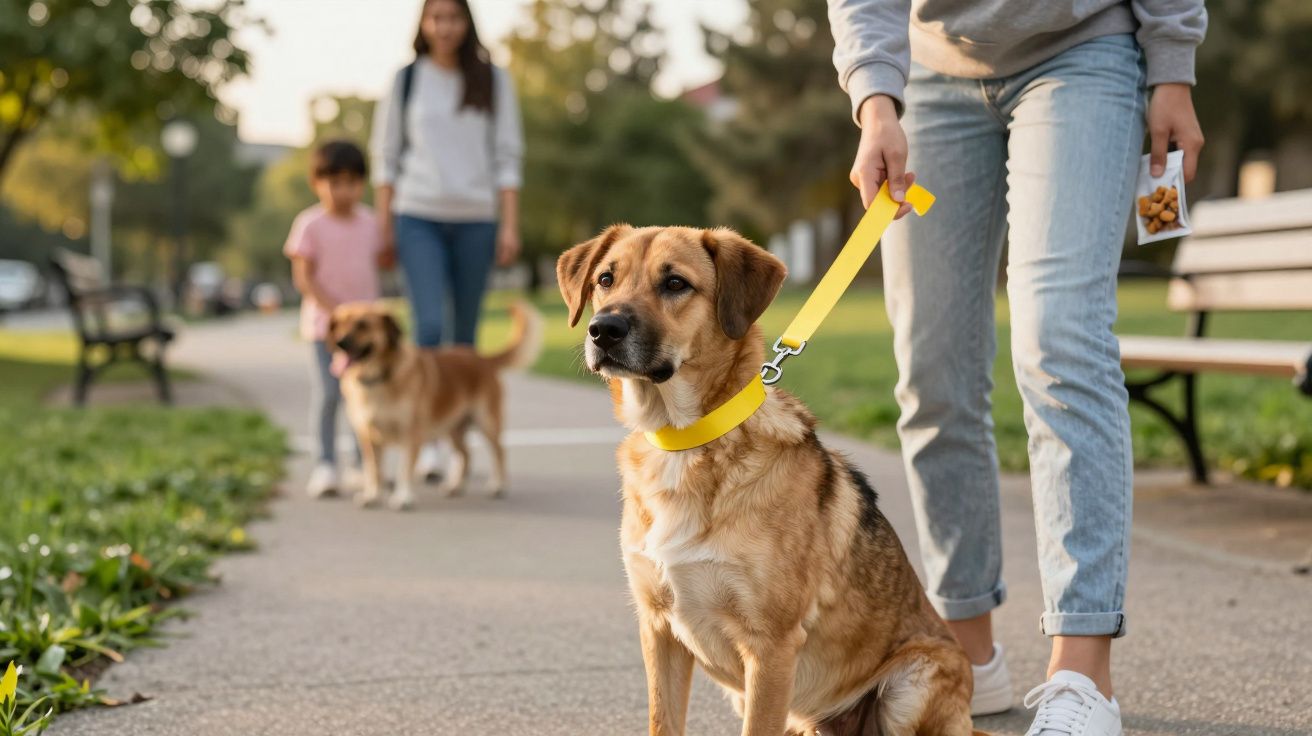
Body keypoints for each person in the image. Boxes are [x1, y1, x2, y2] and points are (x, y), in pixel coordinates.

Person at [827, 1, 1206, 734]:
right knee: (930, 373)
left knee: (1060, 341)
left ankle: (1081, 674)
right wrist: (875, 97)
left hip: (1082, 51)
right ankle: (967, 655)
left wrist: (1173, 68)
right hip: (930, 70)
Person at [370, 0, 523, 350]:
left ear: (466, 23)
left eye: (453, 18)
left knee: (464, 335)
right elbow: (386, 156)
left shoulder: (494, 79)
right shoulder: (406, 79)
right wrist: (384, 226)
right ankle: (425, 406)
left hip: (476, 219)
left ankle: (459, 407)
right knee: (429, 326)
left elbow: (508, 157)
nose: (445, 27)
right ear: (423, 23)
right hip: (417, 218)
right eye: (436, 18)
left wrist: (510, 226)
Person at [285, 140, 386, 498]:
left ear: (362, 183)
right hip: (324, 330)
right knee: (329, 395)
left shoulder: (371, 223)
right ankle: (326, 464)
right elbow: (303, 276)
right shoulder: (309, 224)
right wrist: (335, 314)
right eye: (334, 182)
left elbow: (384, 261)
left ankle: (363, 464)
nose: (344, 191)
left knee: (365, 399)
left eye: (352, 182)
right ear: (317, 183)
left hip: (366, 336)